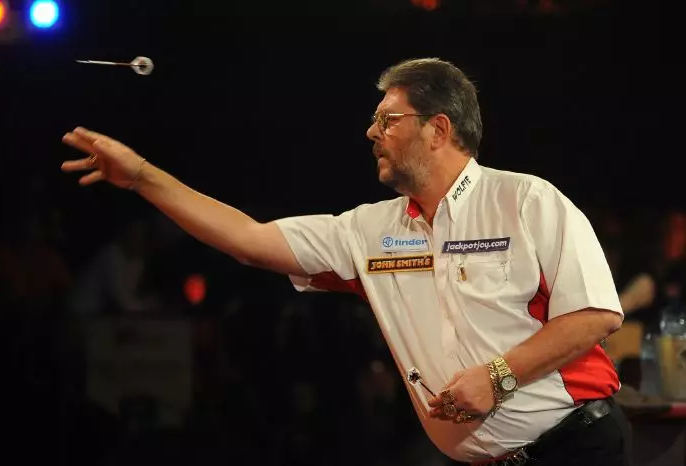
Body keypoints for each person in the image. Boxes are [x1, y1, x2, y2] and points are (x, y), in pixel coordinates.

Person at [60, 58, 631, 465]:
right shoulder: (370, 231)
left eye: (388, 120)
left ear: (438, 129)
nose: (370, 132)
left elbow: (596, 315)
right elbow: (248, 239)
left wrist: (497, 376)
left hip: (576, 448)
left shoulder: (525, 199)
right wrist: (142, 177)